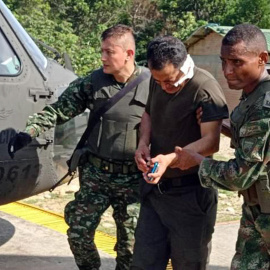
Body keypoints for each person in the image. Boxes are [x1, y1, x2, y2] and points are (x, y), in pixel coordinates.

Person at [8, 24, 150, 270]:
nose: (102, 57)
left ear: (128, 53)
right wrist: (30, 131)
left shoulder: (152, 84)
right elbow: (59, 110)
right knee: (78, 233)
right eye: (101, 51)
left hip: (133, 180)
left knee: (130, 246)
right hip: (96, 176)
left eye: (109, 52)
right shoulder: (93, 82)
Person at [152, 24, 270, 270]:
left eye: (236, 62)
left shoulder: (264, 106)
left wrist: (197, 160)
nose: (227, 70)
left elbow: (240, 175)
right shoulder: (254, 95)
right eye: (224, 61)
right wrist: (226, 127)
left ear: (262, 59)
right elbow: (256, 143)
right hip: (257, 211)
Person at [131, 35, 229, 270]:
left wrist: (170, 159)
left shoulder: (204, 88)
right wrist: (143, 143)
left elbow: (211, 141)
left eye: (170, 81)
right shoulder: (157, 79)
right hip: (156, 195)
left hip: (190, 197)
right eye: (159, 81)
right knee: (143, 264)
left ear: (184, 65)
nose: (164, 86)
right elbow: (148, 114)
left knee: (188, 265)